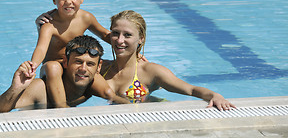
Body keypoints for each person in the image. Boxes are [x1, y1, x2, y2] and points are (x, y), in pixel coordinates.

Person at [99, 10, 236, 110]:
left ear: (141, 39)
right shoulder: (101, 67)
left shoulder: (150, 71)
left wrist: (215, 95)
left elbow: (191, 89)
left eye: (127, 35)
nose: (120, 40)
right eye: (115, 33)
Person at [29, 0, 124, 107]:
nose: (68, 2)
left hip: (76, 66)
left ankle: (135, 108)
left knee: (109, 93)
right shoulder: (49, 25)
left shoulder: (85, 18)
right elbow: (41, 48)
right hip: (53, 71)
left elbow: (104, 34)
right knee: (53, 67)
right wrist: (33, 66)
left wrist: (132, 51)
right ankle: (62, 109)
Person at [0, 35, 105, 112]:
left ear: (98, 67)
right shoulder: (41, 89)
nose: (83, 69)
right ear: (65, 62)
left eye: (90, 64)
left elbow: (124, 93)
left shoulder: (96, 87)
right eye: (78, 62)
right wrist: (15, 89)